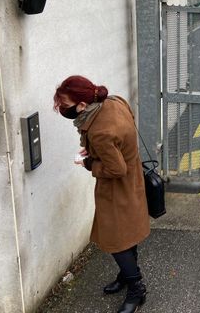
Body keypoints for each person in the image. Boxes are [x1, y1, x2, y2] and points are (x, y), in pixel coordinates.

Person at [54, 75, 150, 313]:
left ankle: (137, 289)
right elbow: (125, 130)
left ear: (82, 105)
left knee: (117, 241)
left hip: (117, 189)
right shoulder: (114, 102)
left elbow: (117, 169)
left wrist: (89, 163)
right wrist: (99, 150)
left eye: (65, 106)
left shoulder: (100, 132)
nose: (62, 110)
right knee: (128, 233)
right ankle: (126, 276)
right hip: (133, 180)